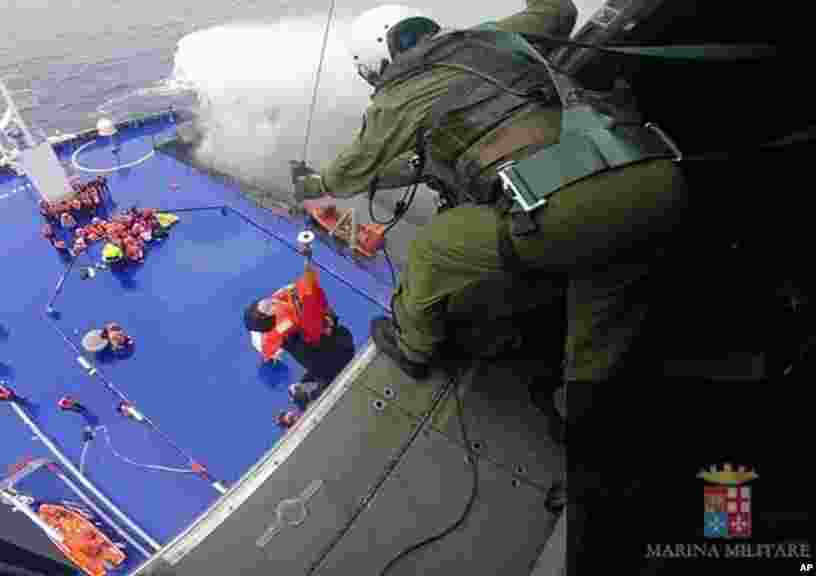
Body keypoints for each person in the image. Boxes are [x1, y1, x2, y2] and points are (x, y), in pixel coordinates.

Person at [290, 1, 685, 401]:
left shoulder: (396, 99)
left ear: (377, 63)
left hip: (569, 210)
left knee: (433, 248)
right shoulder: (491, 36)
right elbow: (559, 10)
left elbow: (345, 176)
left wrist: (313, 183)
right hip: (653, 176)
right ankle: (578, 404)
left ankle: (412, 347)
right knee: (604, 283)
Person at [244, 281, 356, 408]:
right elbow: (271, 347)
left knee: (321, 354)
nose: (271, 304)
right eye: (267, 308)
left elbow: (300, 288)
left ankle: (308, 390)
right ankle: (307, 394)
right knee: (303, 346)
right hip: (328, 356)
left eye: (265, 304)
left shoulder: (279, 299)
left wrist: (326, 318)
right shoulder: (274, 333)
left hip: (337, 344)